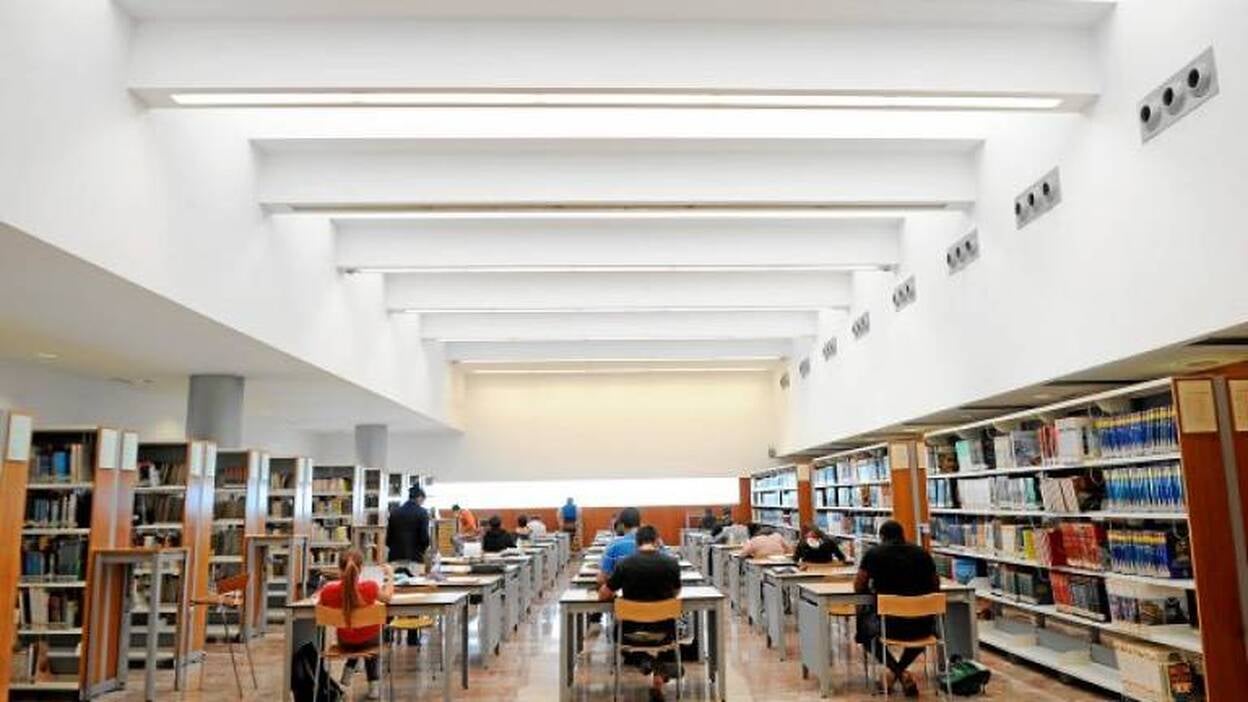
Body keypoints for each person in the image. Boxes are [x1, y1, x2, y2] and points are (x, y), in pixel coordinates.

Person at [854, 520, 940, 698]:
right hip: (921, 625)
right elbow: (935, 584)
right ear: (903, 535)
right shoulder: (922, 553)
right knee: (930, 632)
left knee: (865, 632)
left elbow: (858, 585)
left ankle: (897, 672)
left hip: (888, 624)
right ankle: (900, 671)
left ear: (882, 536)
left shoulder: (874, 554)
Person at [598, 525, 682, 702]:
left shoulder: (625, 564)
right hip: (664, 633)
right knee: (667, 628)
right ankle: (658, 671)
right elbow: (675, 593)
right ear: (657, 540)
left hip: (630, 633)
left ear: (637, 543)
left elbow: (604, 594)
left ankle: (645, 661)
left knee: (619, 633)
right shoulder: (671, 563)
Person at [318, 550, 394, 700]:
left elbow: (320, 604)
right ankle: (373, 686)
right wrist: (390, 576)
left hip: (345, 642)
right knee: (371, 638)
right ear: (361, 569)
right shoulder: (370, 587)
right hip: (370, 641)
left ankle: (349, 669)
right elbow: (388, 598)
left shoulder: (328, 591)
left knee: (357, 635)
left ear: (339, 569)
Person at [385, 486, 430, 575]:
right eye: (423, 501)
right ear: (420, 498)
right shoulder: (422, 512)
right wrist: (422, 550)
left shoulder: (394, 512)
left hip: (395, 556)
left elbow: (388, 538)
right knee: (416, 582)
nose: (422, 503)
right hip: (415, 557)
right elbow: (424, 537)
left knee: (396, 582)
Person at [597, 506, 641, 584]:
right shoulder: (654, 543)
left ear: (622, 525)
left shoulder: (614, 544)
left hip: (622, 590)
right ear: (639, 524)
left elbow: (602, 578)